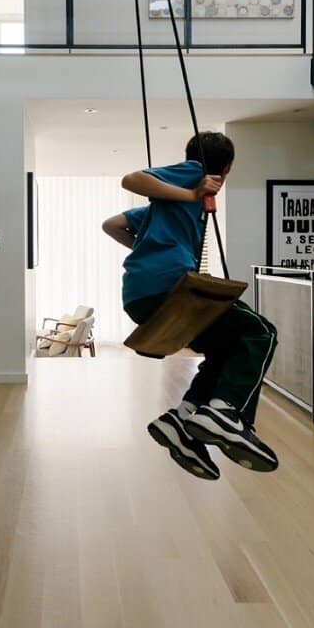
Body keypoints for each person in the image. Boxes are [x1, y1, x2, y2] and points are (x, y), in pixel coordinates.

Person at [103, 131, 279, 481]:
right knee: (261, 332)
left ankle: (183, 421)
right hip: (167, 286)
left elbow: (113, 225)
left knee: (224, 348)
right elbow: (131, 179)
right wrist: (193, 191)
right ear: (226, 166)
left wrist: (146, 252)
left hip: (141, 294)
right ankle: (226, 414)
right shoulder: (194, 173)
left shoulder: (160, 208)